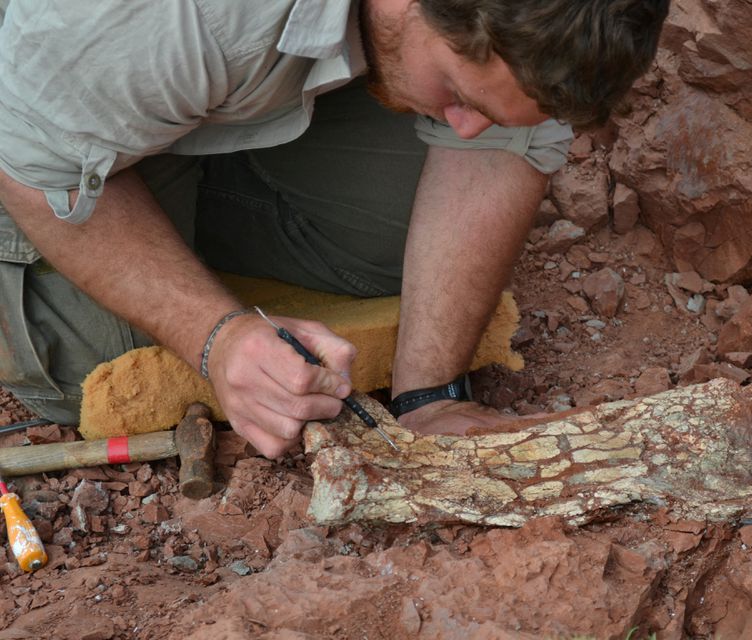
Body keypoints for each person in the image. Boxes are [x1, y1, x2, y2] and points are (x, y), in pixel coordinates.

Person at [0, 0, 670, 458]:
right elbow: (28, 161)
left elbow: (509, 122)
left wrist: (428, 399)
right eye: (459, 96)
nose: (463, 128)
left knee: (409, 250)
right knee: (102, 359)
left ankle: (162, 161)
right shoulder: (191, 16)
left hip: (158, 83)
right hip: (26, 107)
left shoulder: (527, 23)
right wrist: (216, 338)